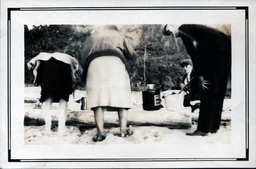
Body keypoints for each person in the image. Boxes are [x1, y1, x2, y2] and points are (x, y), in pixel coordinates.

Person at [162, 24, 231, 136]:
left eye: (168, 28)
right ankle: (213, 127)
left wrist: (199, 74)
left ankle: (203, 129)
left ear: (173, 24)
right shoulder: (192, 28)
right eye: (167, 32)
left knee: (207, 89)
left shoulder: (184, 28)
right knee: (218, 90)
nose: (170, 32)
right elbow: (200, 50)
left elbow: (194, 52)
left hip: (215, 53)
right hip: (225, 48)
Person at [81, 25, 136, 142]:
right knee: (121, 97)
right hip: (114, 62)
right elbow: (131, 53)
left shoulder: (93, 36)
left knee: (97, 100)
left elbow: (83, 55)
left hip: (94, 64)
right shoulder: (119, 35)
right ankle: (122, 131)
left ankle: (100, 133)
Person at [27, 49, 81, 135]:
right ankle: (61, 129)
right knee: (63, 99)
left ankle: (47, 128)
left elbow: (30, 64)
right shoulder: (68, 57)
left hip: (46, 68)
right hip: (64, 68)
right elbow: (75, 69)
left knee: (47, 97)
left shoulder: (42, 55)